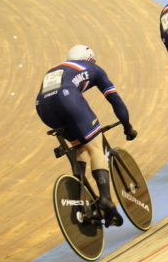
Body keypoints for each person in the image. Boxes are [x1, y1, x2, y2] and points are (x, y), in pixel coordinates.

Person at [36, 45, 138, 226]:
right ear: (89, 58)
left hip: (43, 108)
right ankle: (105, 199)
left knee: (79, 145)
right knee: (96, 147)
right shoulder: (93, 68)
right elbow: (115, 100)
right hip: (68, 99)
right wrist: (127, 126)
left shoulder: (56, 69)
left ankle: (79, 202)